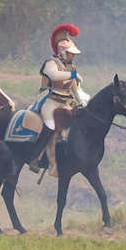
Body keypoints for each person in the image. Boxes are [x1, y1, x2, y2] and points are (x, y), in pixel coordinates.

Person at [36, 25, 94, 176]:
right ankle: (36, 156)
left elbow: (74, 87)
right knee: (50, 126)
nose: (73, 56)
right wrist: (73, 75)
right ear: (63, 52)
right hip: (50, 101)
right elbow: (55, 76)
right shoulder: (50, 63)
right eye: (71, 54)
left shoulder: (71, 66)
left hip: (66, 103)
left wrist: (81, 100)